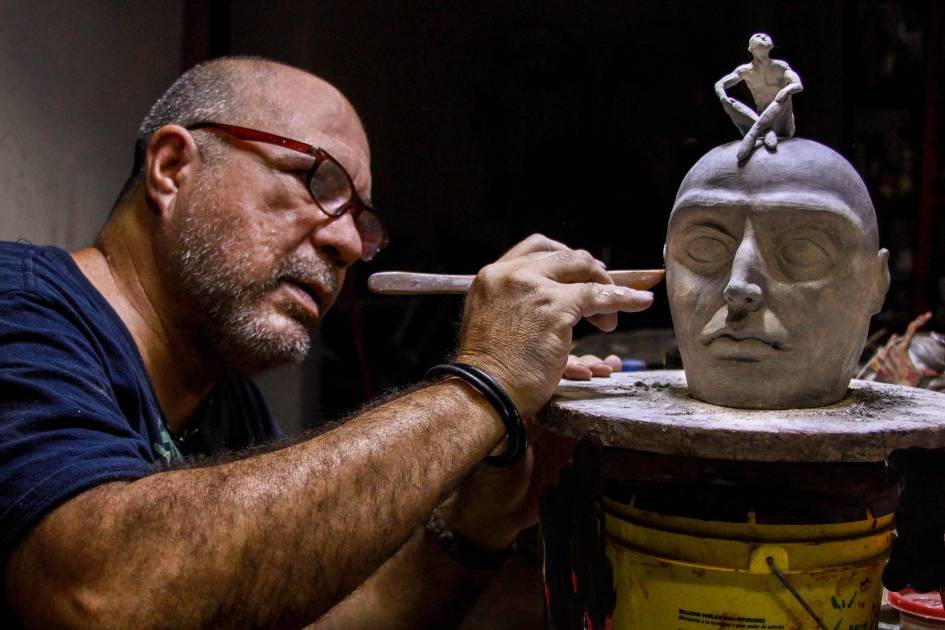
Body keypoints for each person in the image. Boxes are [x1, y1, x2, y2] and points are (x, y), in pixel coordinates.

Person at [0, 56, 652, 627]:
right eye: (316, 180)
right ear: (172, 168)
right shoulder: (19, 308)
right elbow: (101, 595)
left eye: (362, 221)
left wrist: (475, 524)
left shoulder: (226, 405)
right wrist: (484, 383)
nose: (345, 244)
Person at [715, 33, 804, 162]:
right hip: (758, 118)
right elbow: (719, 84)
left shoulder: (780, 66)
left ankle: (754, 133)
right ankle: (766, 131)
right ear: (750, 48)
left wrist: (787, 89)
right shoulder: (745, 70)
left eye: (765, 36)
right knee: (730, 103)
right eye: (758, 36)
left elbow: (798, 85)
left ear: (771, 45)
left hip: (781, 122)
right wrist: (723, 97)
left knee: (784, 96)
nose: (762, 37)